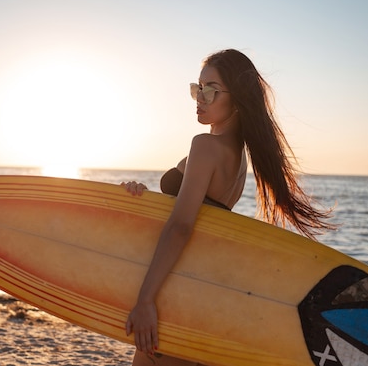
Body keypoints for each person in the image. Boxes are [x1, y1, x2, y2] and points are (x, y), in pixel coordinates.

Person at [121, 49, 335, 366]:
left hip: (176, 295)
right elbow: (195, 216)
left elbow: (181, 227)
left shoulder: (206, 147)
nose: (200, 97)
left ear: (236, 99)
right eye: (197, 87)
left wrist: (145, 299)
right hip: (202, 295)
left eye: (211, 89)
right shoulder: (237, 156)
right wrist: (142, 196)